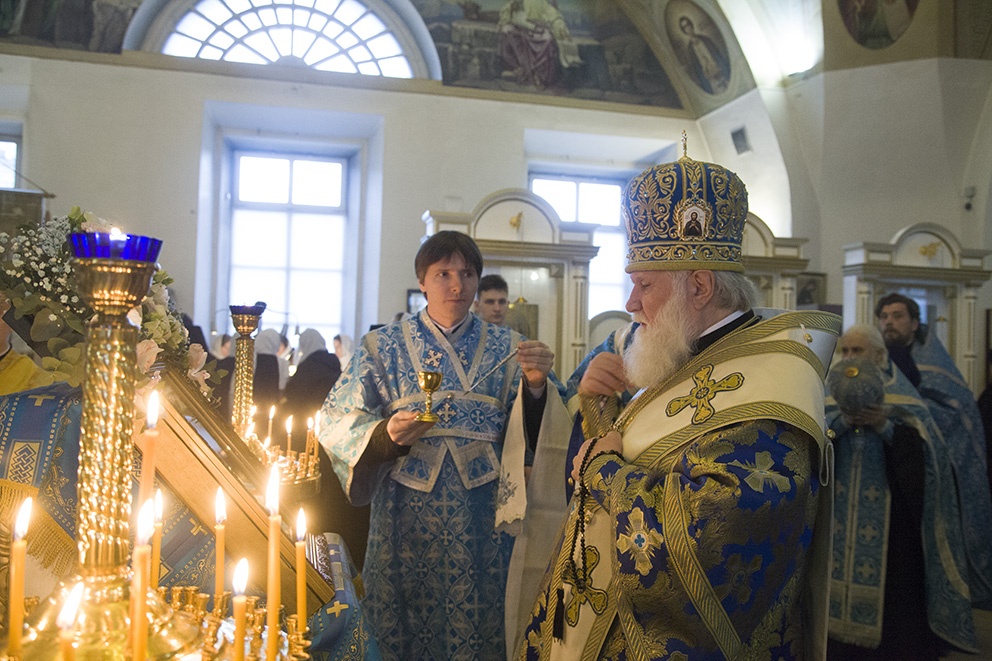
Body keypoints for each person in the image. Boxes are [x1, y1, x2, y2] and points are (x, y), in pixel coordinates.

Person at [515, 143, 841, 659]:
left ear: (701, 285)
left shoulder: (770, 388)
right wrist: (600, 407)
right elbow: (635, 451)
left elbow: (707, 545)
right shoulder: (690, 360)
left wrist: (604, 471)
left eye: (644, 284)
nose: (630, 303)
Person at [320, 230, 569, 661]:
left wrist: (535, 387)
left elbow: (542, 429)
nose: (457, 285)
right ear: (422, 281)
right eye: (444, 274)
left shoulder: (508, 349)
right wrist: (384, 437)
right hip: (404, 519)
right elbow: (334, 418)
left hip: (484, 522)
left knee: (482, 626)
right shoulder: (382, 348)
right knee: (403, 629)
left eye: (467, 273)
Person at [825, 325, 976, 659]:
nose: (849, 358)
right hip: (837, 522)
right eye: (845, 351)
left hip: (893, 528)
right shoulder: (826, 397)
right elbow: (812, 451)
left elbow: (928, 464)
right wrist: (837, 427)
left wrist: (885, 426)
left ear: (879, 356)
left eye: (857, 351)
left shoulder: (904, 399)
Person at [875, 292, 992, 604]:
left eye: (897, 316)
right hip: (893, 466)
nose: (889, 322)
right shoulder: (876, 360)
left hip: (935, 467)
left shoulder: (934, 364)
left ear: (915, 323)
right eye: (884, 316)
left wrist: (907, 413)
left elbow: (955, 410)